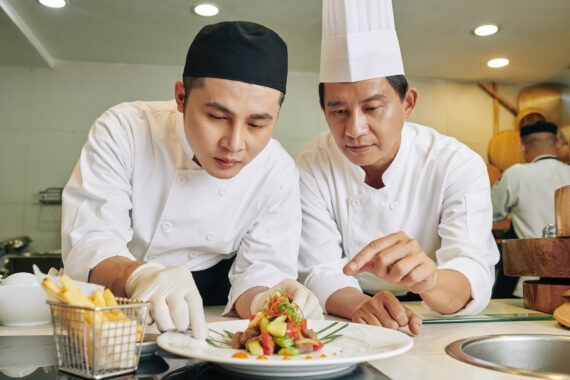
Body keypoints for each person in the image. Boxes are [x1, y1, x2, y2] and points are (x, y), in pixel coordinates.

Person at [61, 21, 322, 339]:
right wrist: (138, 276)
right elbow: (91, 240)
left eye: (256, 124)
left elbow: (259, 272)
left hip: (207, 311)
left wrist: (265, 299)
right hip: (114, 304)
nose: (234, 143)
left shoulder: (276, 170)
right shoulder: (124, 130)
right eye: (217, 117)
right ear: (181, 97)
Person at [296, 0, 499, 334]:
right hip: (349, 312)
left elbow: (472, 267)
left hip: (433, 315)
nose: (354, 129)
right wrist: (361, 304)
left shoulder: (455, 163)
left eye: (373, 107)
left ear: (408, 103)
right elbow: (318, 268)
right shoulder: (310, 166)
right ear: (324, 111)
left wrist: (430, 279)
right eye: (338, 111)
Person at [491, 120, 570, 297]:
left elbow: (487, 214)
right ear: (558, 144)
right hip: (567, 280)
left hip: (528, 283)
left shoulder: (516, 174)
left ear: (523, 148)